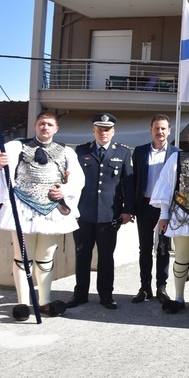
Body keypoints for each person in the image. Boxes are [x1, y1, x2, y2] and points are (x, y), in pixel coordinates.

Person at [0, 111, 85, 320]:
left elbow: (78, 179)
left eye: (49, 124)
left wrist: (64, 190)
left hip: (51, 210)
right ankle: (23, 303)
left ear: (56, 128)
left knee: (45, 259)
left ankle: (44, 301)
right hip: (23, 207)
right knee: (22, 259)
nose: (45, 128)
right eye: (42, 124)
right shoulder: (17, 147)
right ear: (35, 125)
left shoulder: (66, 152)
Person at [65, 113, 134, 310]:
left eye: (107, 129)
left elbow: (128, 184)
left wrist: (127, 210)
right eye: (100, 129)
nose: (103, 132)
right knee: (82, 255)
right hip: (83, 214)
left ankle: (106, 295)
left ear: (113, 131)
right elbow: (71, 181)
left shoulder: (123, 152)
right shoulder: (80, 151)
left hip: (109, 215)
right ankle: (80, 294)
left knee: (106, 256)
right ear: (93, 130)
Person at [149, 120, 189, 314]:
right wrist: (164, 215)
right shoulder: (176, 158)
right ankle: (179, 298)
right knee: (182, 258)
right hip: (181, 216)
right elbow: (166, 187)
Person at [131, 114, 179, 305]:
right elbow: (134, 180)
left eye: (163, 128)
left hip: (165, 208)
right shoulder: (140, 152)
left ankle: (161, 286)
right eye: (156, 128)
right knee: (144, 248)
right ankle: (145, 287)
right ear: (151, 130)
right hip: (144, 205)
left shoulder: (176, 153)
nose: (160, 132)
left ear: (169, 131)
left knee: (163, 248)